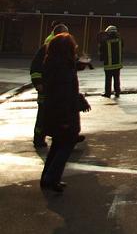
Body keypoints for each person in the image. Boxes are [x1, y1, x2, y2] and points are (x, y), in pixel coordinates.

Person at [40, 32, 90, 192]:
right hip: (64, 113)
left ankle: (46, 178)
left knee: (57, 145)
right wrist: (68, 117)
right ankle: (52, 178)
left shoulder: (53, 62)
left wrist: (79, 64)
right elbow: (65, 92)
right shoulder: (64, 69)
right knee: (66, 145)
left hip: (53, 111)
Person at [30, 23, 69, 148]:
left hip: (59, 91)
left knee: (58, 116)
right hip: (46, 90)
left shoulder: (65, 50)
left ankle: (59, 138)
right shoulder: (46, 49)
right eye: (64, 34)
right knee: (42, 117)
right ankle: (38, 139)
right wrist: (38, 83)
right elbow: (35, 68)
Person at [99, 25, 123, 98]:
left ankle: (108, 93)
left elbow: (101, 50)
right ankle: (117, 92)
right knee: (117, 79)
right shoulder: (120, 39)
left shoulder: (105, 40)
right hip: (117, 63)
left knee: (108, 79)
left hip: (108, 64)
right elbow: (122, 47)